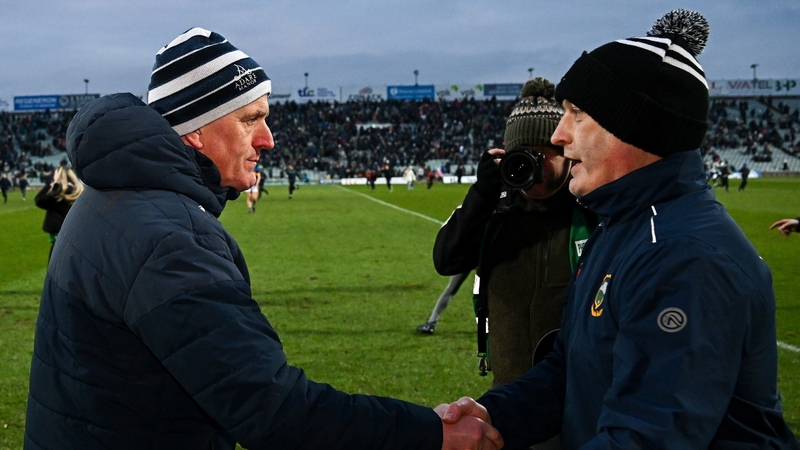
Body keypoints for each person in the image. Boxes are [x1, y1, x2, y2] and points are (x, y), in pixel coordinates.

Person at [24, 27, 501, 450]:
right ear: (195, 131)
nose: (268, 138)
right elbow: (274, 411)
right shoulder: (169, 238)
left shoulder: (111, 197)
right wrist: (430, 433)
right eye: (250, 119)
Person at [439, 10, 800, 449]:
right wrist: (493, 414)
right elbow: (568, 371)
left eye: (577, 114)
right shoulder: (620, 228)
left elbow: (648, 437)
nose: (559, 135)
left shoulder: (686, 257)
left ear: (632, 127)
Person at [432, 78, 596, 391]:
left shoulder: (590, 211)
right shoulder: (496, 211)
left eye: (546, 152)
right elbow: (446, 260)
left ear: (567, 150)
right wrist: (482, 193)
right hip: (508, 391)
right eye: (523, 154)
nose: (535, 164)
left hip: (578, 392)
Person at [33, 162, 84, 261]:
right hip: (72, 235)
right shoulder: (75, 191)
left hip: (60, 236)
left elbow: (39, 201)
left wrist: (50, 185)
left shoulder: (58, 194)